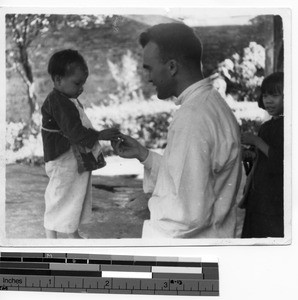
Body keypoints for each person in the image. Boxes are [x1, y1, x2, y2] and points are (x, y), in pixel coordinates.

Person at [112, 23, 242, 238]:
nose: (148, 78)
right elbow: (193, 176)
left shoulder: (194, 116)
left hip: (188, 251)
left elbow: (186, 214)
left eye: (150, 68)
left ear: (172, 67)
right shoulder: (209, 104)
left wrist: (150, 203)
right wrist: (144, 156)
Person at [41, 49, 120, 239]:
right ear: (59, 80)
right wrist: (100, 134)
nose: (81, 88)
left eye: (83, 83)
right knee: (60, 197)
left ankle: (71, 232)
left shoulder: (66, 98)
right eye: (77, 83)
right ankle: (51, 238)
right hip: (62, 159)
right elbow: (74, 131)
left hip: (69, 157)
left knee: (73, 195)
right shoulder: (57, 102)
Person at [240, 72, 284, 238]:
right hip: (258, 197)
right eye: (265, 95)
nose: (268, 100)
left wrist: (256, 141)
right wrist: (250, 154)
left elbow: (281, 161)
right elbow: (263, 157)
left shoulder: (288, 127)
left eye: (275, 95)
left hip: (274, 202)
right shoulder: (266, 126)